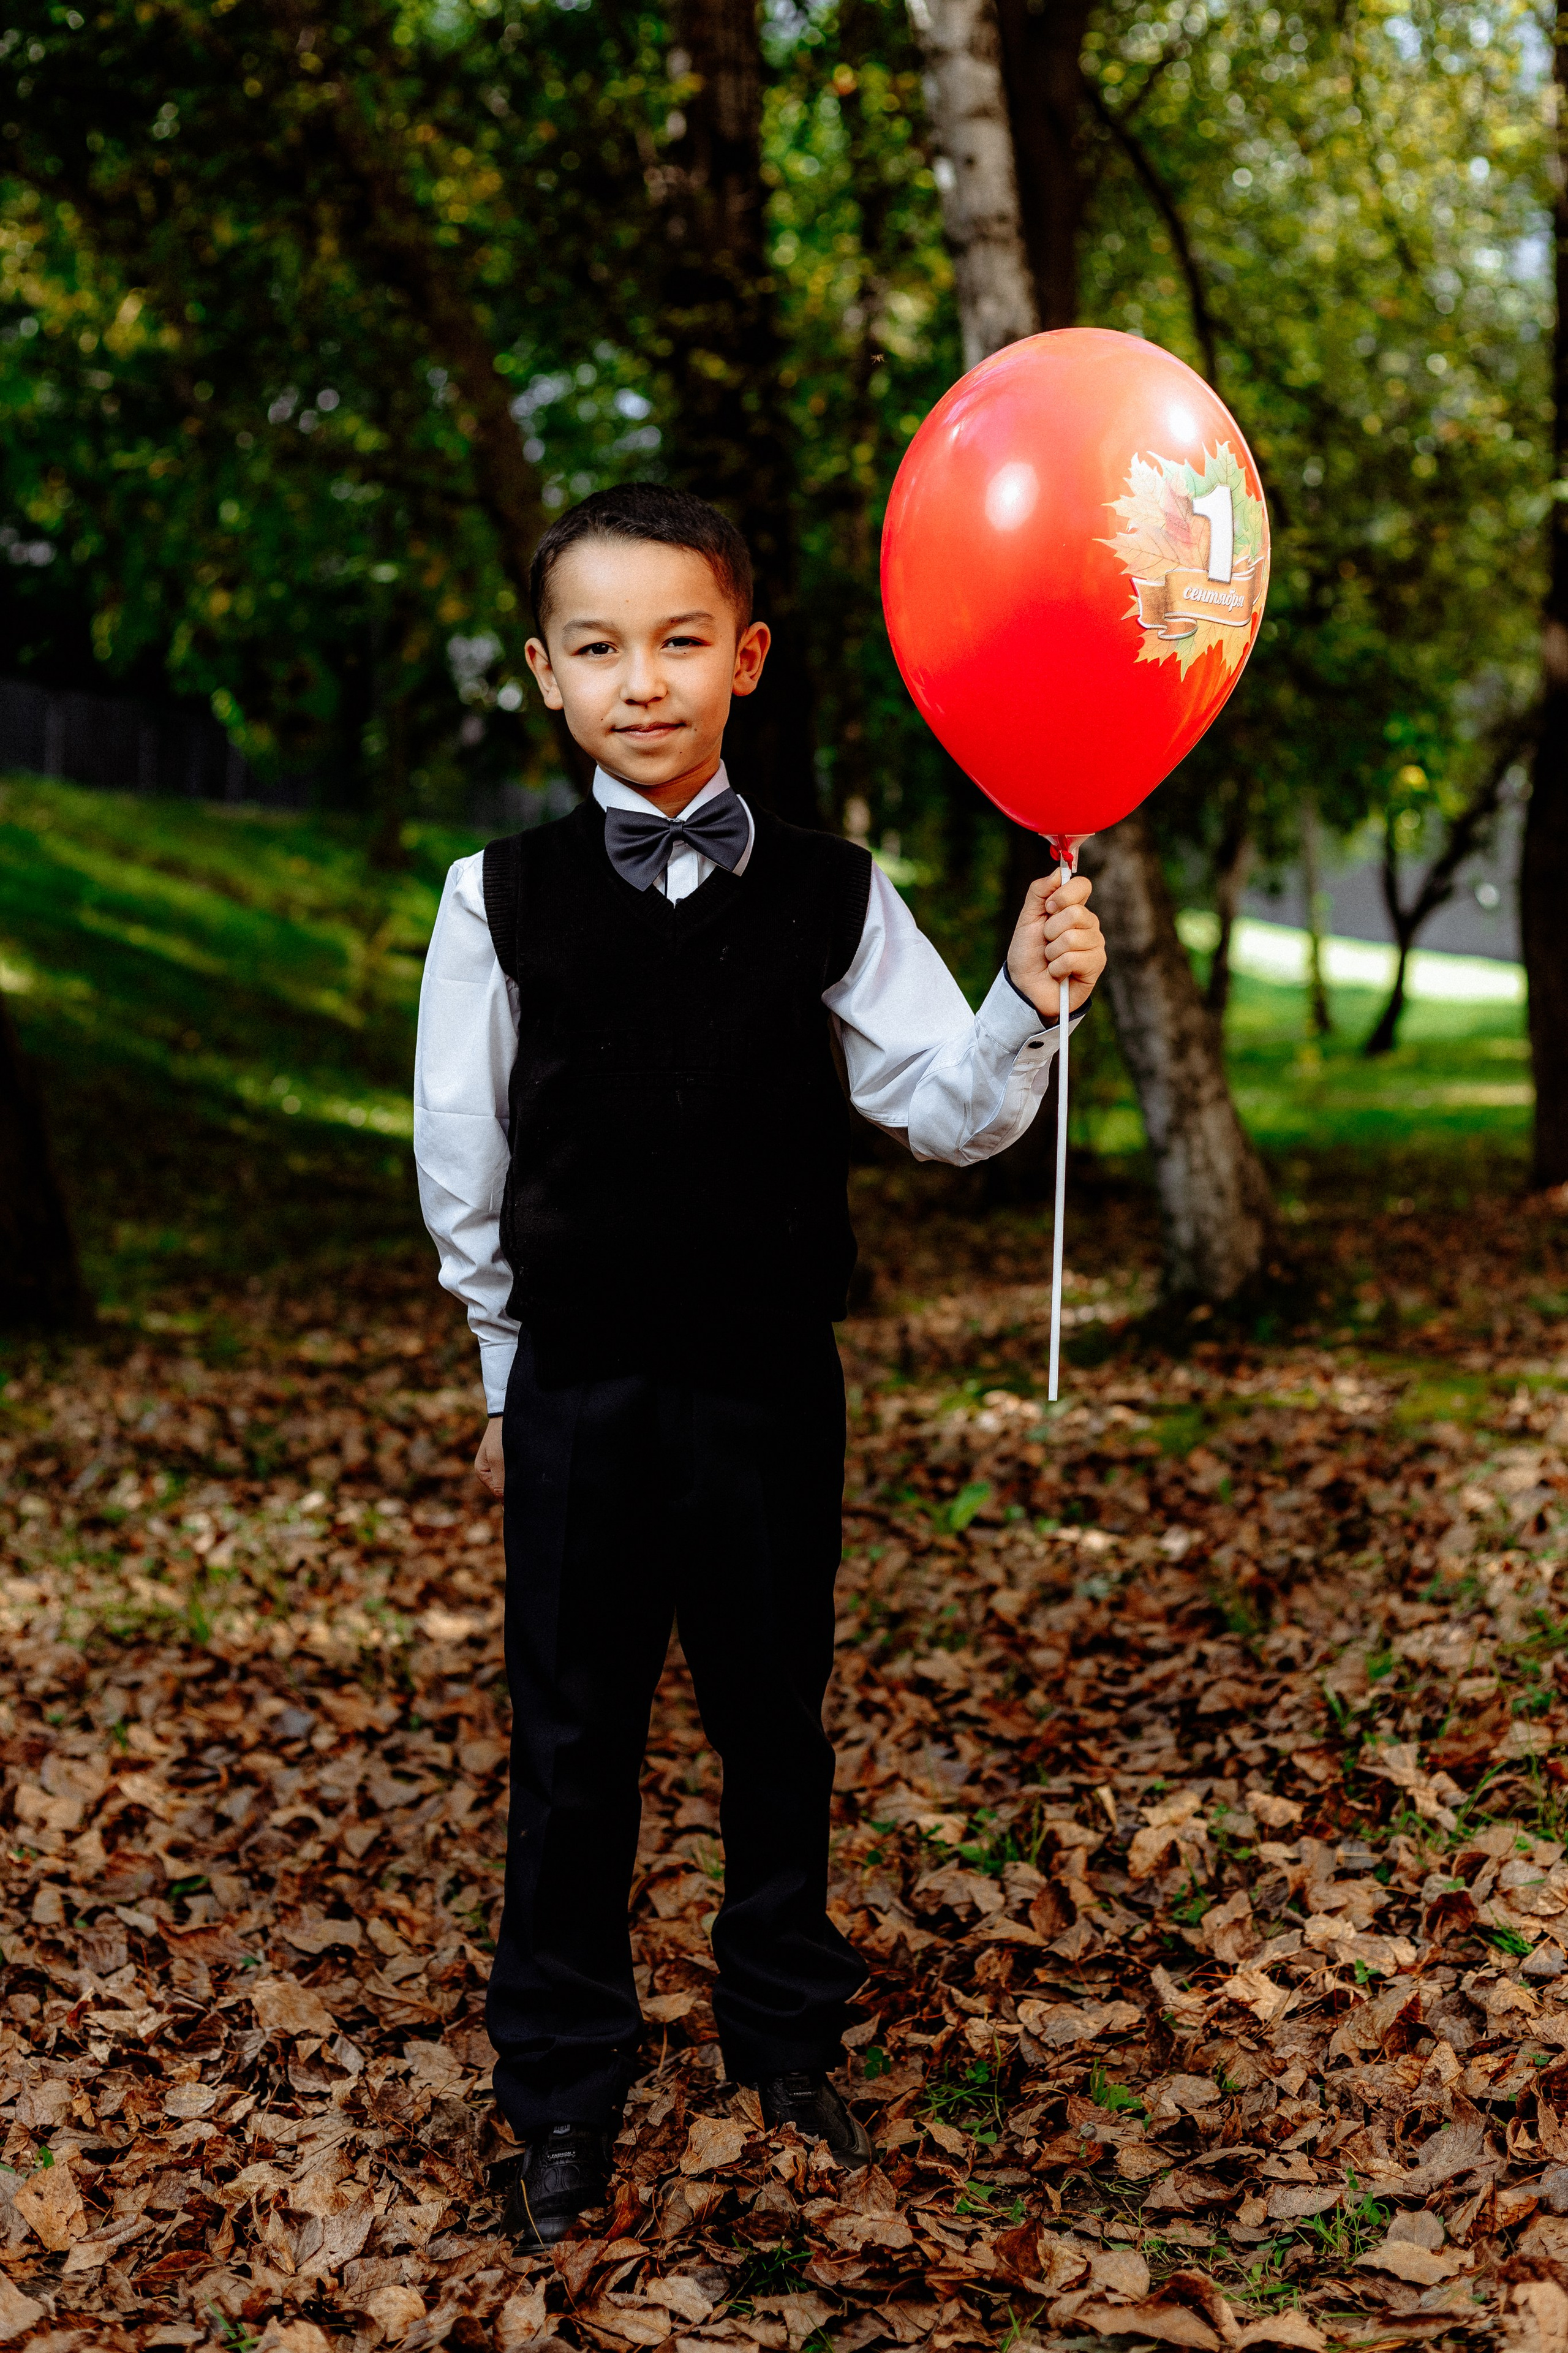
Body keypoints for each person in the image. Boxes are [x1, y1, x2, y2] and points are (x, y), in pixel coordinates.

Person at [413, 483, 1106, 2248]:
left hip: (770, 1387)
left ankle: (785, 2039)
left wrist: (1024, 996)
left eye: (677, 639)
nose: (640, 679)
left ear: (747, 656)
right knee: (574, 1742)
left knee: (772, 1724)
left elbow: (940, 1108)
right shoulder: (493, 897)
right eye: (597, 647)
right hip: (575, 1388)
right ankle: (562, 2087)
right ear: (546, 677)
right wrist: (506, 1371)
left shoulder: (833, 891)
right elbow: (461, 1159)